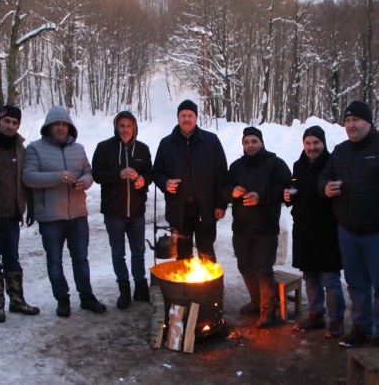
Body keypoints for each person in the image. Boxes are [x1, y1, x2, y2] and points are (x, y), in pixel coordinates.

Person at [318, 100, 379, 348]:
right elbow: (324, 176)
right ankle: (361, 326)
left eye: (356, 120)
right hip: (348, 230)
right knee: (356, 283)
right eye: (347, 121)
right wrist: (325, 188)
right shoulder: (341, 150)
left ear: (369, 121)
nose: (351, 125)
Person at [22, 105, 106, 317]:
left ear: (69, 127)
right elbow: (28, 177)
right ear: (48, 127)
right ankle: (62, 299)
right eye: (56, 124)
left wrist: (84, 182)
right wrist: (57, 177)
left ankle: (86, 297)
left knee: (81, 259)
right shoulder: (34, 149)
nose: (60, 128)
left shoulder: (78, 149)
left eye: (64, 124)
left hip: (78, 213)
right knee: (55, 261)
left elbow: (89, 173)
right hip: (50, 217)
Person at [222, 127, 291, 328]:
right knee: (245, 266)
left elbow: (284, 190)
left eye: (254, 141)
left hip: (266, 227)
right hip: (241, 227)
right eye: (246, 142)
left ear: (261, 142)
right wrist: (231, 192)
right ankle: (256, 300)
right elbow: (223, 189)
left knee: (263, 268)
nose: (250, 146)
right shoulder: (236, 167)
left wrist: (260, 197)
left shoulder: (275, 164)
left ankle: (269, 310)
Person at [0, 105, 40, 323]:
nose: (10, 126)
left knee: (12, 259)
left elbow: (26, 179)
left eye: (15, 123)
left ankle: (17, 300)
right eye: (7, 122)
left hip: (12, 214)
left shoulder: (21, 149)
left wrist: (30, 205)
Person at [284, 125, 345, 338]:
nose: (312, 147)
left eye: (316, 143)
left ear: (323, 143)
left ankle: (336, 319)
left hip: (327, 228)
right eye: (308, 143)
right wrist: (289, 197)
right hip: (303, 227)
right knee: (310, 276)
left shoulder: (333, 164)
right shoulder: (298, 166)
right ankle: (316, 313)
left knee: (330, 278)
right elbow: (296, 192)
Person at [153, 100, 228, 262]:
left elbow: (222, 174)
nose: (186, 119)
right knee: (183, 254)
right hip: (179, 210)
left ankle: (210, 287)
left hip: (205, 209)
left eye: (190, 115)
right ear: (178, 118)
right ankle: (184, 287)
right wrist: (165, 183)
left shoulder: (211, 141)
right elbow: (157, 172)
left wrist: (220, 204)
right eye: (183, 115)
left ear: (196, 118)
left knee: (206, 251)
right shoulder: (166, 143)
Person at [92, 111, 153, 309]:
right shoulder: (104, 148)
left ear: (135, 127)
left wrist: (144, 180)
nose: (125, 129)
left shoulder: (142, 149)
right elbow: (97, 174)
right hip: (114, 212)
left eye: (129, 125)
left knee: (138, 251)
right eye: (121, 126)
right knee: (118, 253)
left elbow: (150, 173)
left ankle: (141, 287)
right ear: (116, 127)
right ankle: (124, 289)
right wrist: (119, 174)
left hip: (137, 212)